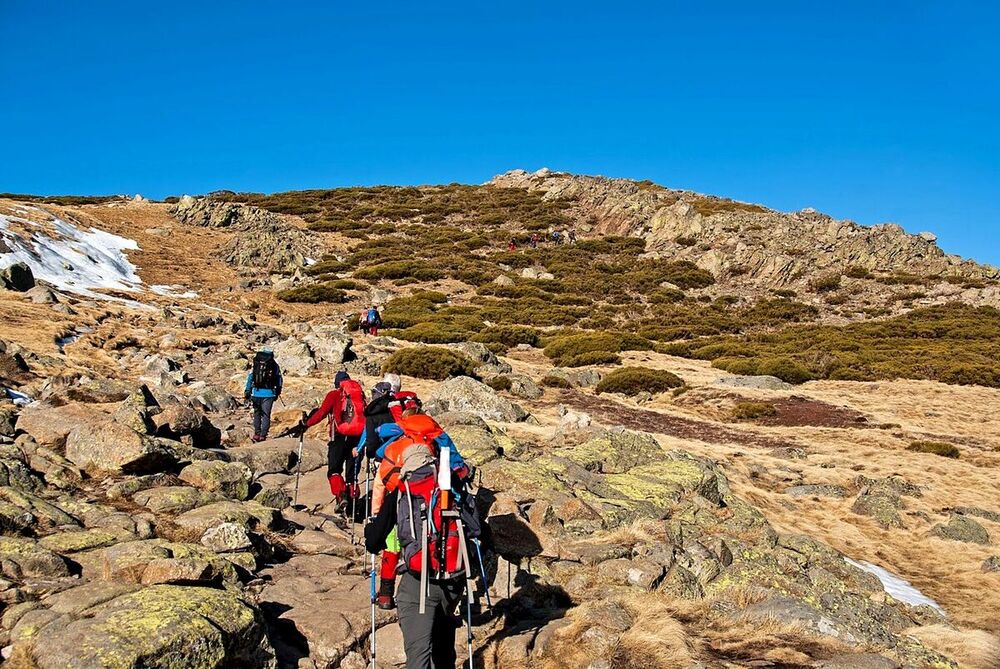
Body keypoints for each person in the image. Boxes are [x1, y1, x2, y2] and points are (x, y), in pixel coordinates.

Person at [365, 412, 476, 668]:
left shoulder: (403, 491)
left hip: (418, 582)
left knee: (419, 655)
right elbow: (477, 531)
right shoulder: (452, 487)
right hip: (453, 580)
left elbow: (373, 542)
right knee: (444, 649)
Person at [300, 371, 366, 506]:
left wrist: (306, 424)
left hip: (339, 436)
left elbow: (321, 413)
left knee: (334, 470)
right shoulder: (359, 396)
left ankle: (341, 496)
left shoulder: (334, 395)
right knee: (352, 474)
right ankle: (354, 505)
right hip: (357, 438)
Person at [244, 349, 282, 442]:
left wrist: (247, 390)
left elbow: (250, 377)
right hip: (269, 393)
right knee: (266, 415)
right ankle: (263, 435)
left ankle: (257, 434)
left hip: (256, 392)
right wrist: (278, 391)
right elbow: (279, 379)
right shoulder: (274, 365)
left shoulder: (256, 363)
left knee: (257, 413)